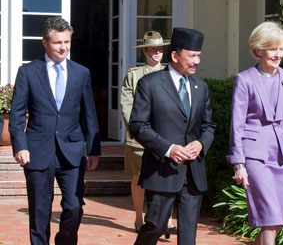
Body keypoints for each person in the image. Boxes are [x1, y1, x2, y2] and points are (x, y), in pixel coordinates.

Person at [9, 17, 101, 245]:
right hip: (38, 151)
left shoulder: (81, 73)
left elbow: (89, 114)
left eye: (67, 42)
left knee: (74, 206)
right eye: (58, 42)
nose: (63, 48)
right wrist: (20, 146)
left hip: (72, 151)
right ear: (45, 42)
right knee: (40, 212)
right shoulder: (28, 72)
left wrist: (94, 149)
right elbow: (18, 112)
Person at [226, 21, 283, 245]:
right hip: (255, 157)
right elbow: (237, 124)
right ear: (259, 50)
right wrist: (239, 163)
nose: (278, 54)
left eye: (281, 48)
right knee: (269, 216)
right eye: (273, 48)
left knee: (275, 222)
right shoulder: (244, 80)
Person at [129, 27, 215, 245]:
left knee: (188, 237)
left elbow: (208, 125)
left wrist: (201, 144)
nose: (197, 61)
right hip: (162, 170)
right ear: (175, 55)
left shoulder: (201, 87)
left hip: (193, 172)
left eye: (199, 56)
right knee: (155, 227)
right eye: (192, 55)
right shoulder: (149, 84)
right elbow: (138, 125)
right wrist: (168, 148)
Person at [120, 31, 175, 235]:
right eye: (153, 49)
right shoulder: (133, 75)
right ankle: (138, 217)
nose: (157, 52)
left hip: (165, 137)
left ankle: (167, 219)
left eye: (160, 49)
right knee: (138, 177)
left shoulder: (170, 73)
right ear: (144, 51)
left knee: (167, 176)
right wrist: (138, 131)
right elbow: (127, 106)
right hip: (140, 138)